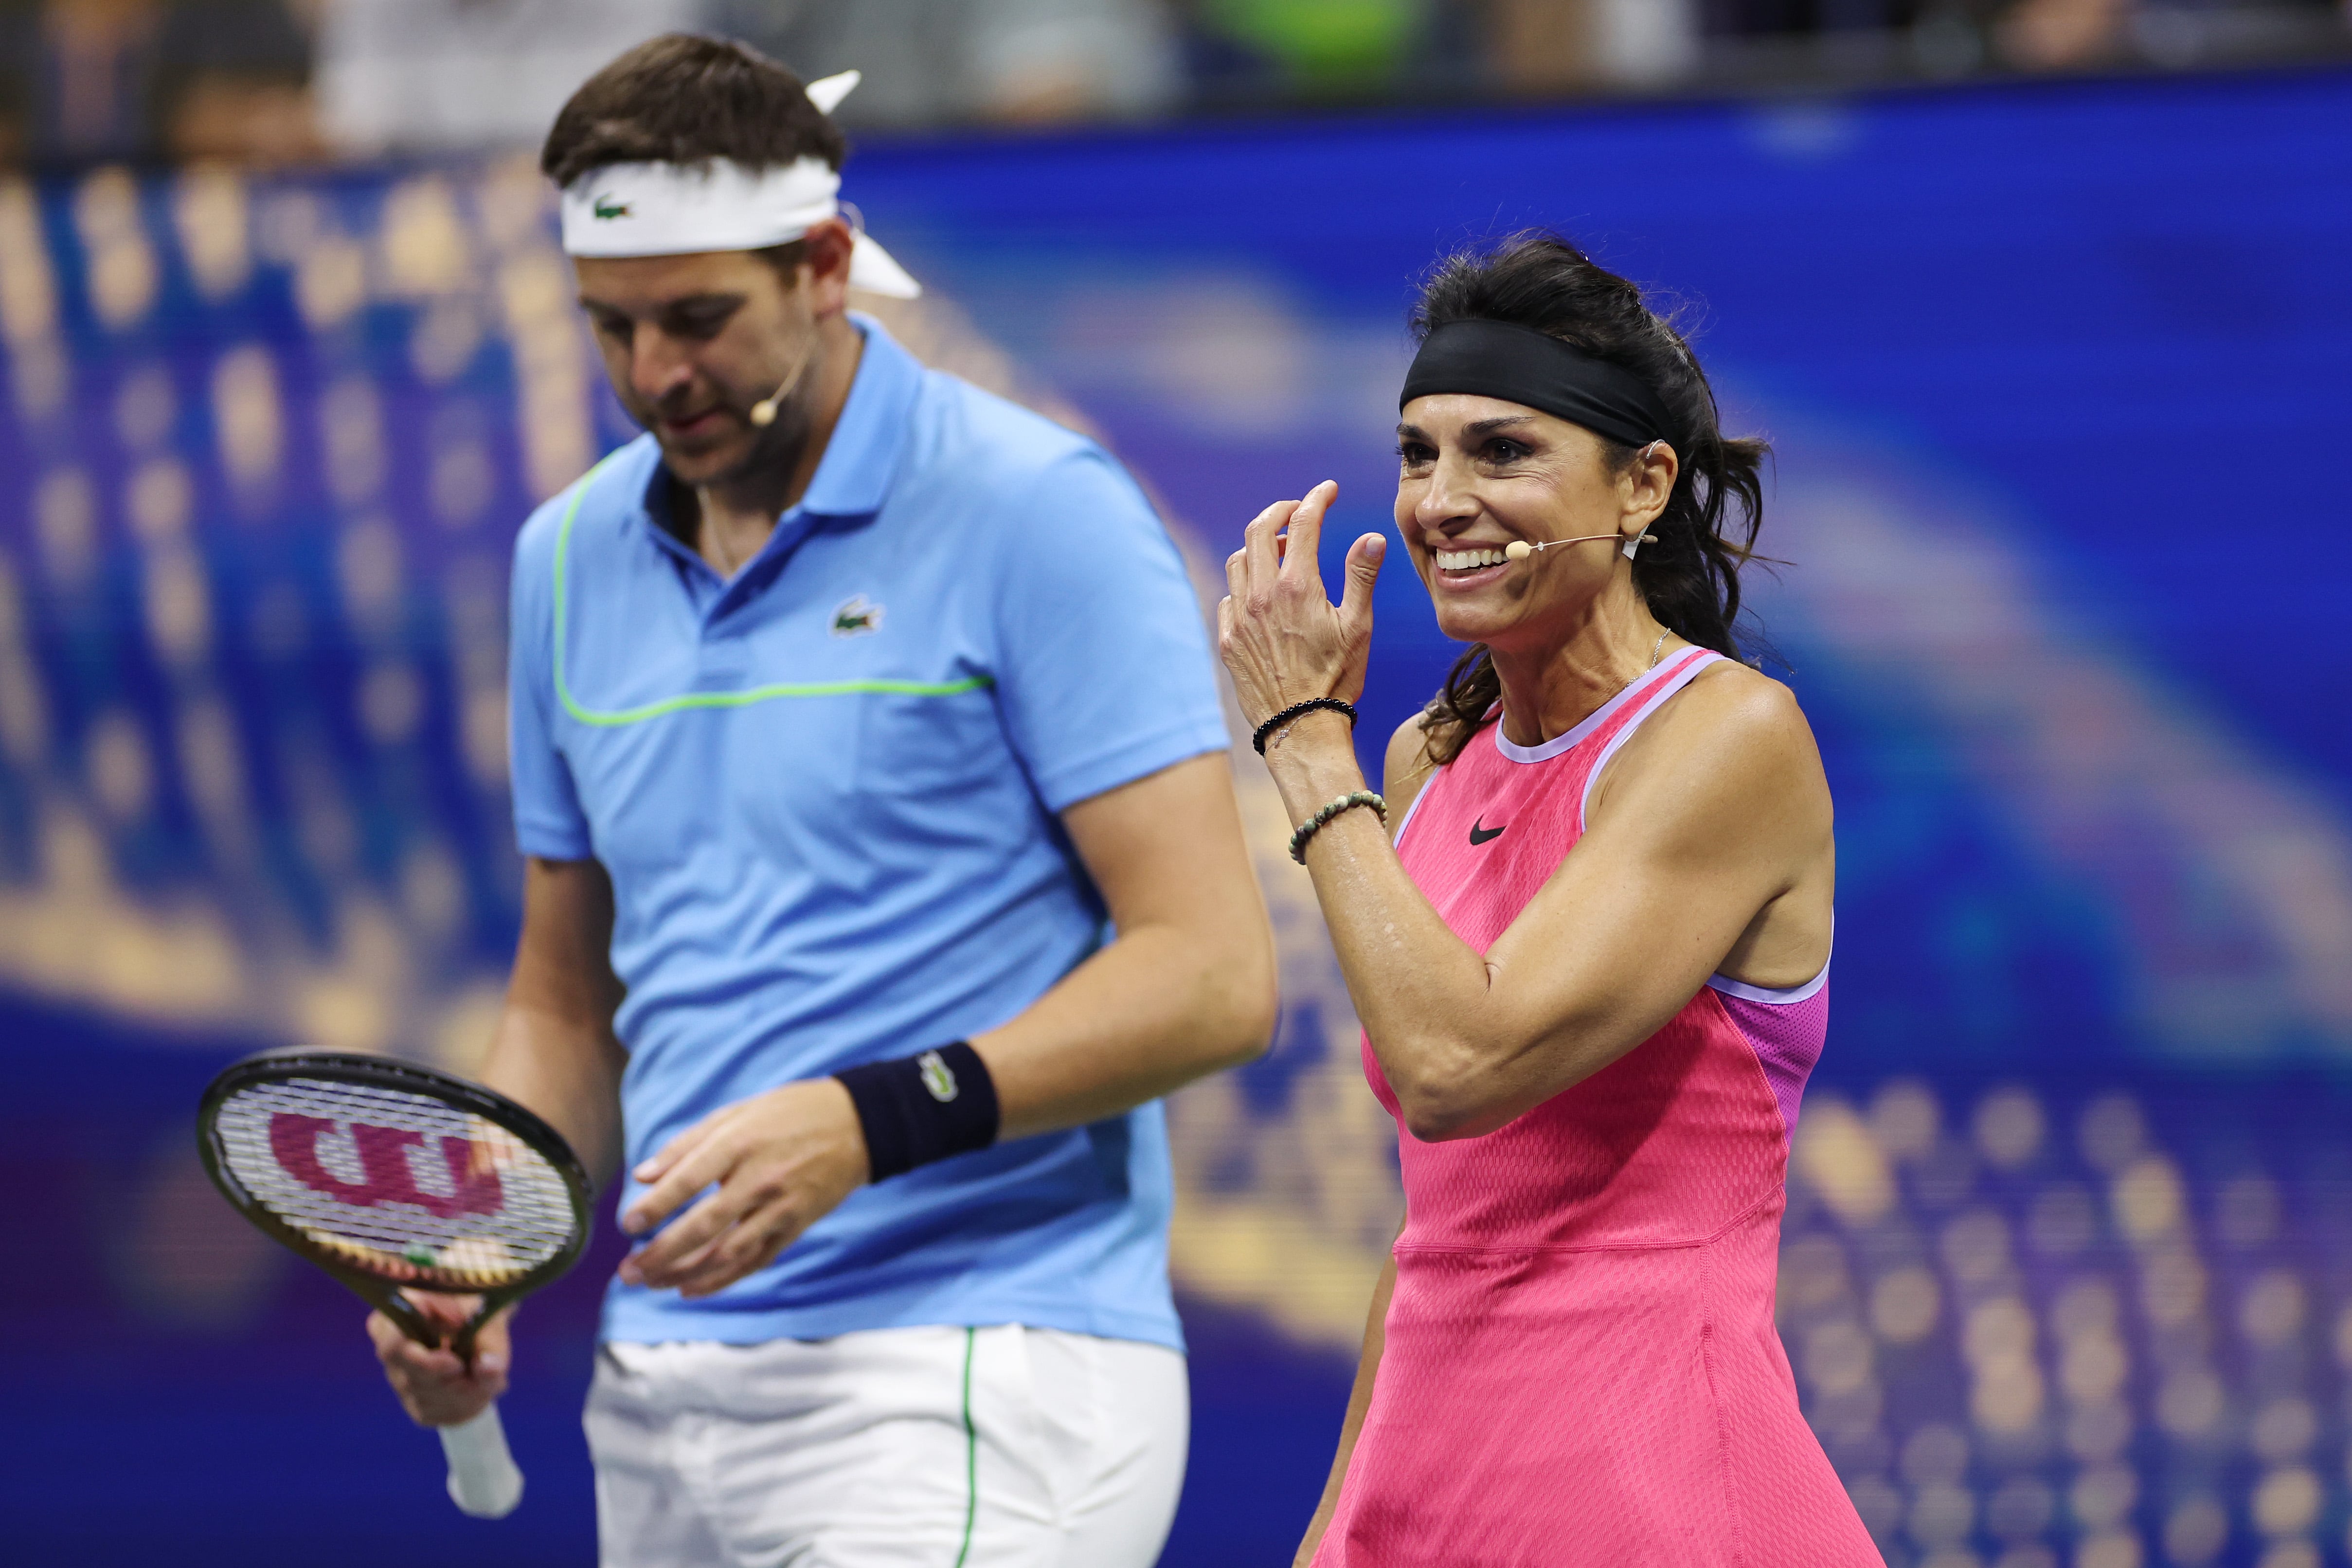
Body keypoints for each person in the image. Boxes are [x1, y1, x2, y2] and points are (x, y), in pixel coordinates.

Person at [366, 34, 1278, 1568]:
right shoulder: (564, 559)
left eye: (701, 317)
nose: (659, 373)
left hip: (979, 1369)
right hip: (664, 1390)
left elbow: (1212, 977)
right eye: (614, 328)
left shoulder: (1036, 512)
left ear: (829, 265)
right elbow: (565, 1010)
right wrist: (485, 1238)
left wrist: (872, 1121)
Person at [1218, 233, 1881, 1566]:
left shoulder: (1728, 738)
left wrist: (1297, 745)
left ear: (1643, 488)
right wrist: (1335, 1519)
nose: (1438, 501)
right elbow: (1440, 1217)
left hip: (1653, 1490)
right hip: (1425, 1475)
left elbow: (1460, 1062)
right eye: (1417, 455)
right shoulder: (1423, 760)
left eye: (1501, 452)